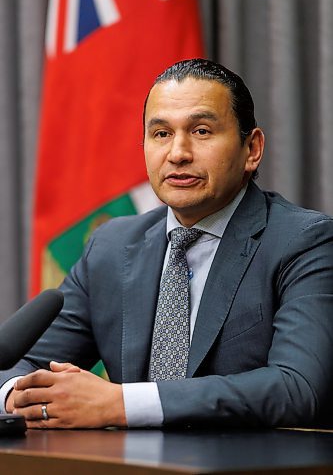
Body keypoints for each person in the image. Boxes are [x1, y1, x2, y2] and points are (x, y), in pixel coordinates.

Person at [1, 58, 333, 429]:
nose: (178, 153)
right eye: (161, 134)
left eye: (202, 131)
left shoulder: (304, 242)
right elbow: (20, 365)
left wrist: (121, 403)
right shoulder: (111, 247)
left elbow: (298, 387)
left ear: (252, 149)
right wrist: (20, 395)